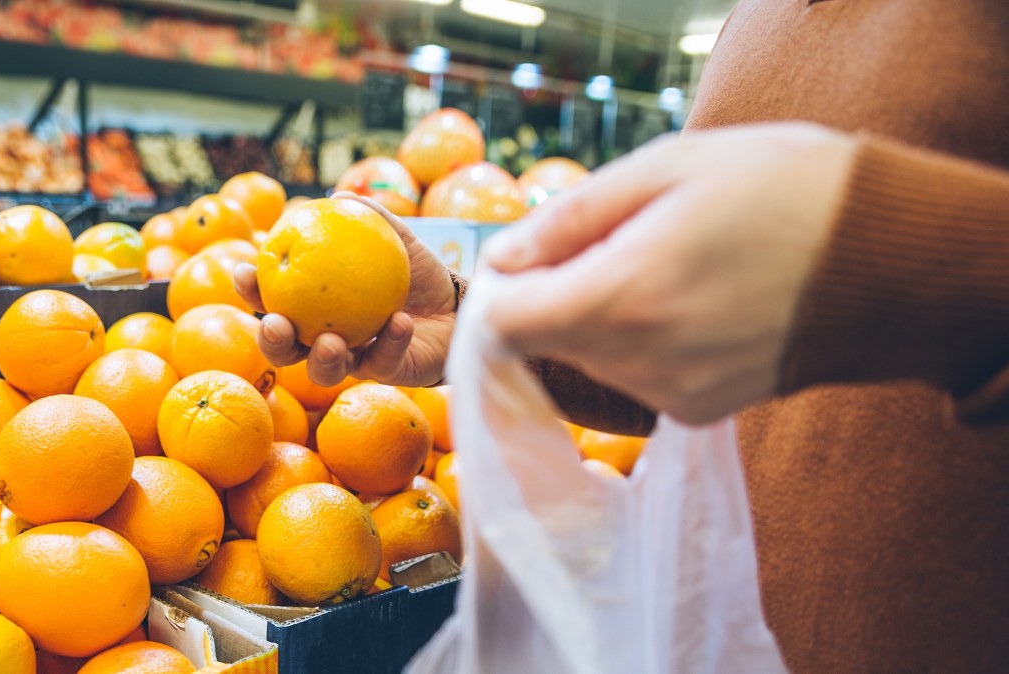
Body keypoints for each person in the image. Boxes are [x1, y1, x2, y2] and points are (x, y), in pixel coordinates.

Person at [239, 3, 1009, 671]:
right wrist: (480, 325)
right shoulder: (758, 19)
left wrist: (883, 247)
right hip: (712, 633)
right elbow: (701, 360)